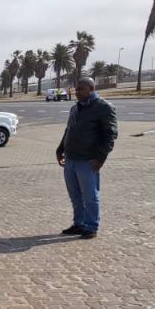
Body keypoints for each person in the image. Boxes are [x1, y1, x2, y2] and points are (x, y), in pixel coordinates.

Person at [56, 77, 118, 239]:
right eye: (76, 89)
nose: (77, 92)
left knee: (90, 196)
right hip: (71, 159)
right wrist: (60, 148)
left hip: (88, 160)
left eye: (81, 89)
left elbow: (110, 135)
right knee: (75, 195)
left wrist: (100, 158)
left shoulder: (103, 107)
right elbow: (68, 130)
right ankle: (79, 223)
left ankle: (91, 226)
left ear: (91, 89)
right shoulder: (75, 108)